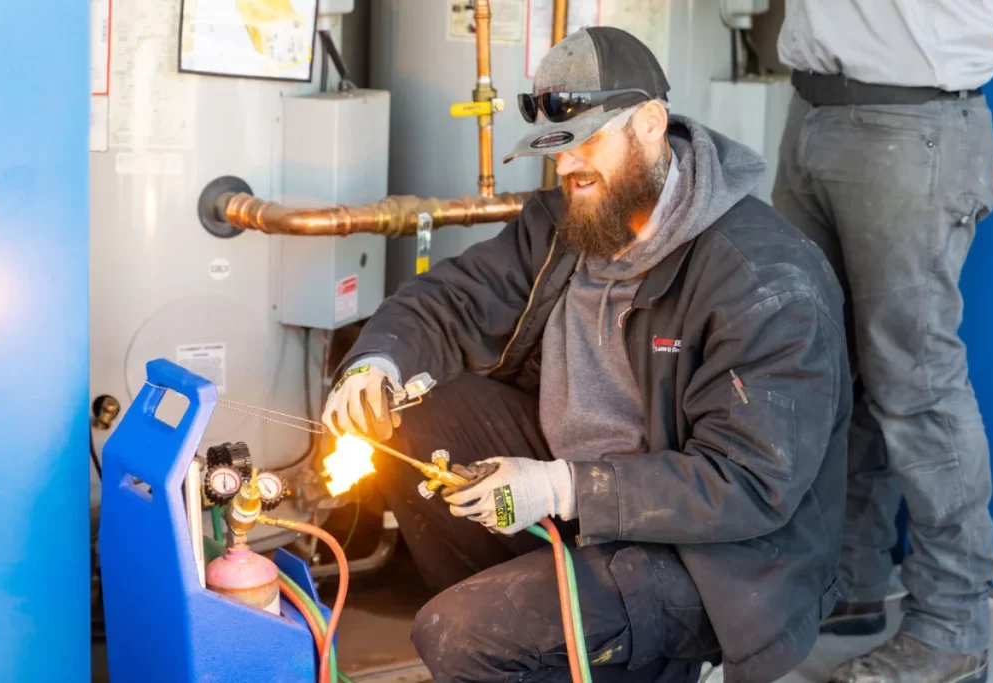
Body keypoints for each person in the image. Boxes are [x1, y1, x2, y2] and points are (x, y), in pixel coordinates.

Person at [324, 27, 850, 683]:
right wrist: (377, 363)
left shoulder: (762, 279)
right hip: (584, 494)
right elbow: (454, 296)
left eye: (585, 142)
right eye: (556, 149)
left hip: (714, 556)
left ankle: (610, 653)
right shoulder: (573, 219)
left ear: (652, 124)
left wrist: (562, 487)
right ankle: (536, 634)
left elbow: (748, 482)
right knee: (414, 411)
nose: (567, 166)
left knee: (454, 635)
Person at [772, 2, 993, 682]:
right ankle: (851, 577)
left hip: (913, 119)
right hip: (813, 109)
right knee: (823, 371)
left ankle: (953, 623)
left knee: (916, 381)